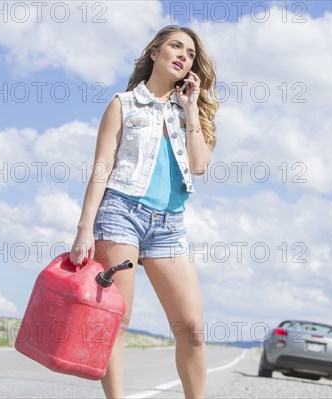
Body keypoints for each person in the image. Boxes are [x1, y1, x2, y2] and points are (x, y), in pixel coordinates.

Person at [69, 25, 218, 399]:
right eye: (175, 46)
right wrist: (85, 228)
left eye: (190, 54)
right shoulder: (123, 104)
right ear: (154, 52)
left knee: (192, 330)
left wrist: (189, 109)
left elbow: (200, 165)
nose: (183, 56)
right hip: (121, 214)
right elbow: (101, 168)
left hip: (169, 224)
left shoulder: (189, 111)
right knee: (117, 321)